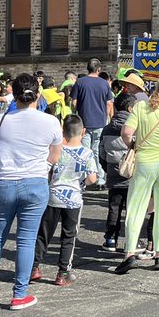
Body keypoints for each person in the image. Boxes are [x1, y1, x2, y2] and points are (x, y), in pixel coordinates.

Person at [0, 74, 62, 311]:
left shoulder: (1, 119)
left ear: (13, 94)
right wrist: (44, 166)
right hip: (36, 183)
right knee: (26, 241)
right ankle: (19, 295)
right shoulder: (50, 121)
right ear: (37, 95)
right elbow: (55, 154)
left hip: (5, 183)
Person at [114, 75, 159, 273]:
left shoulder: (141, 107)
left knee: (136, 207)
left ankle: (129, 252)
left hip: (145, 162)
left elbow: (126, 132)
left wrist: (134, 146)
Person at [32, 114, 97, 287]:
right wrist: (81, 183)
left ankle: (34, 267)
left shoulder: (57, 149)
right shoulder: (87, 153)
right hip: (73, 199)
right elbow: (92, 178)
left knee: (43, 233)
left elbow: (46, 170)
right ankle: (63, 272)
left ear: (63, 132)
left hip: (52, 195)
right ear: (83, 132)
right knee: (69, 236)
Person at [100, 88, 137, 251]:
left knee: (114, 208)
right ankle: (131, 241)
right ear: (130, 109)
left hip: (113, 174)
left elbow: (101, 152)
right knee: (132, 210)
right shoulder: (135, 128)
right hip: (132, 175)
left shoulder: (107, 128)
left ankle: (110, 239)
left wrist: (108, 167)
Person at [71, 58, 114, 190]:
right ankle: (100, 179)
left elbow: (74, 102)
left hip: (84, 122)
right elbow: (109, 102)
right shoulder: (104, 84)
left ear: (87, 68)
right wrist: (105, 116)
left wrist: (76, 113)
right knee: (97, 151)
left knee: (84, 151)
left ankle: (85, 179)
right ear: (98, 69)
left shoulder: (80, 82)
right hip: (100, 122)